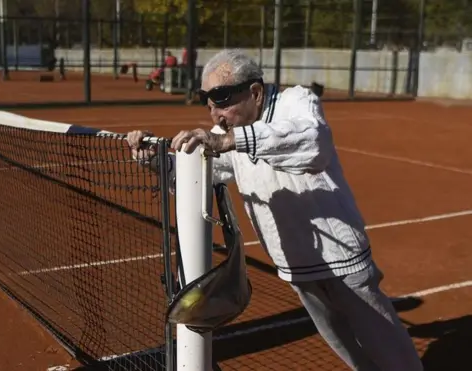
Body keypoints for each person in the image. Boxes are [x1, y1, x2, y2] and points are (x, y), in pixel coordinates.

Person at [126, 49, 423, 371]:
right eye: (209, 104)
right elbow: (198, 173)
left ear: (254, 92)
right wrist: (153, 159)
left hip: (341, 260)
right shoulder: (226, 134)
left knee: (390, 352)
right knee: (347, 349)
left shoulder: (295, 102)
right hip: (294, 264)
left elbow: (313, 144)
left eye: (222, 101)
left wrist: (232, 141)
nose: (215, 115)